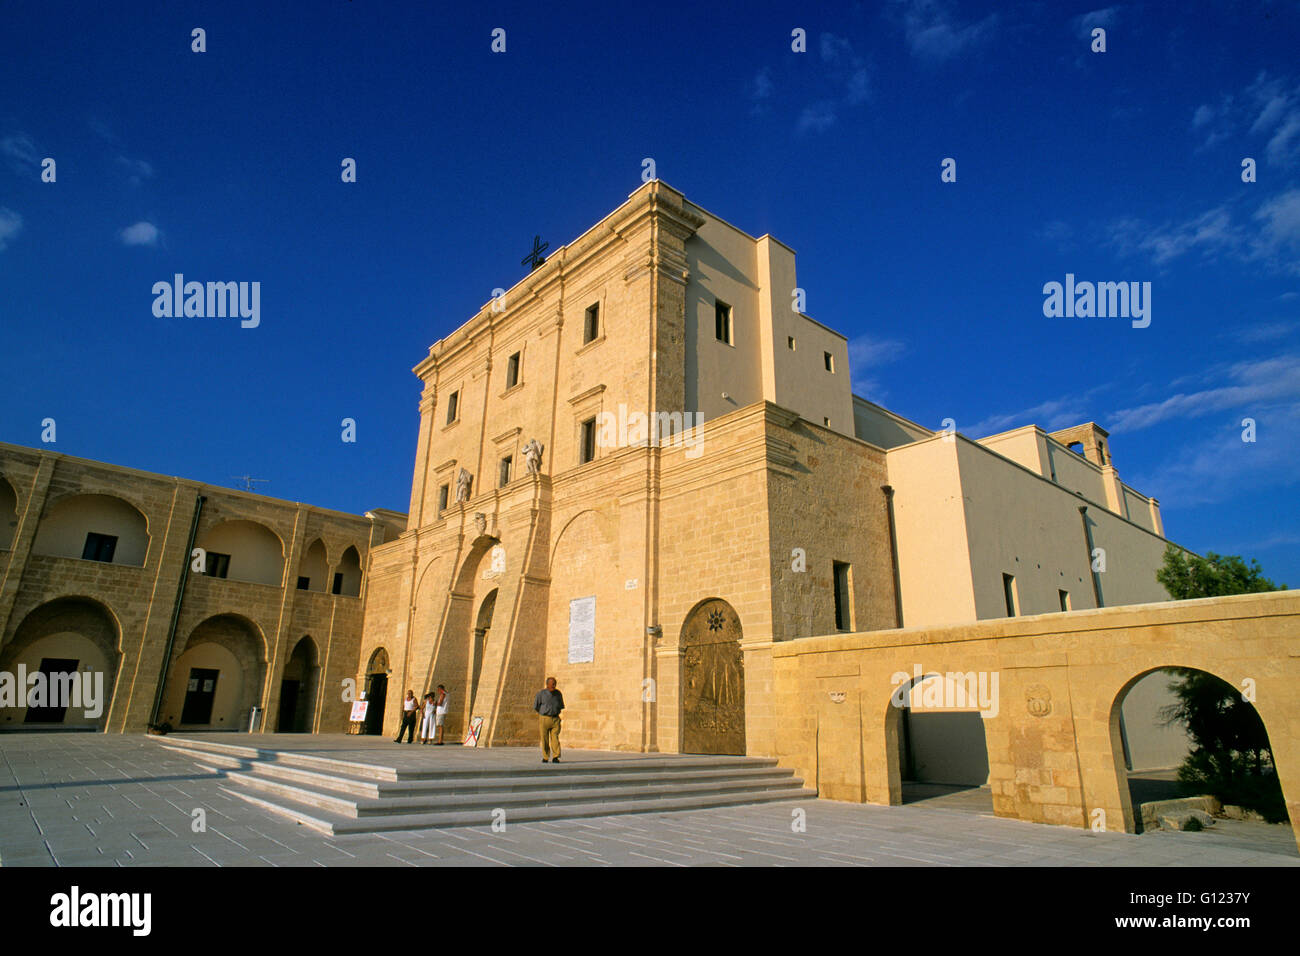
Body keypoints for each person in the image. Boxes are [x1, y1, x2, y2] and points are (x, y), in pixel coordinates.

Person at [533, 677, 564, 763]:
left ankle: (556, 756)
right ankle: (545, 756)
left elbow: (561, 705)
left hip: (555, 719)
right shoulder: (541, 694)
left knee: (555, 738)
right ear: (547, 684)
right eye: (552, 684)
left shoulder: (558, 694)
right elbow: (536, 706)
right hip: (544, 718)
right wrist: (543, 712)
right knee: (544, 739)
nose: (554, 686)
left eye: (555, 684)